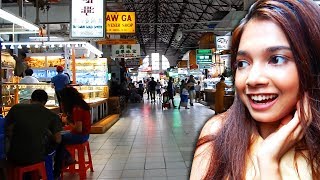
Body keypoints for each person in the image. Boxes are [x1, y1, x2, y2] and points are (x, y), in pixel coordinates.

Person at [190, 0, 320, 179]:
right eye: (243, 63)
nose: (252, 79)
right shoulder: (217, 133)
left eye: (276, 59)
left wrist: (269, 164)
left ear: (313, 65)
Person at [5, 90, 62, 169]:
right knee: (58, 145)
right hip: (36, 157)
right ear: (45, 102)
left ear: (30, 100)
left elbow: (6, 127)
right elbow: (58, 139)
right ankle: (54, 172)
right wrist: (48, 133)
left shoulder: (16, 108)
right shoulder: (52, 115)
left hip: (13, 156)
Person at [53, 87, 91, 179]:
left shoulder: (77, 109)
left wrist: (67, 120)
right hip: (84, 135)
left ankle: (60, 166)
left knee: (56, 139)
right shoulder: (80, 105)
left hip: (80, 136)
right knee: (60, 139)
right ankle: (66, 159)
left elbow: (78, 129)